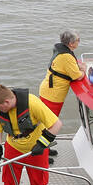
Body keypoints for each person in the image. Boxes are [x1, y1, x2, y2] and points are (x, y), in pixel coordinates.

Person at [37, 30, 87, 159]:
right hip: (53, 94)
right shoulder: (66, 56)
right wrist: (84, 71)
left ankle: (45, 148)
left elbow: (72, 66)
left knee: (46, 122)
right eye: (78, 40)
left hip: (48, 90)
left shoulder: (63, 51)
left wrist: (78, 67)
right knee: (49, 124)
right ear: (71, 43)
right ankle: (42, 153)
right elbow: (76, 75)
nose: (79, 42)